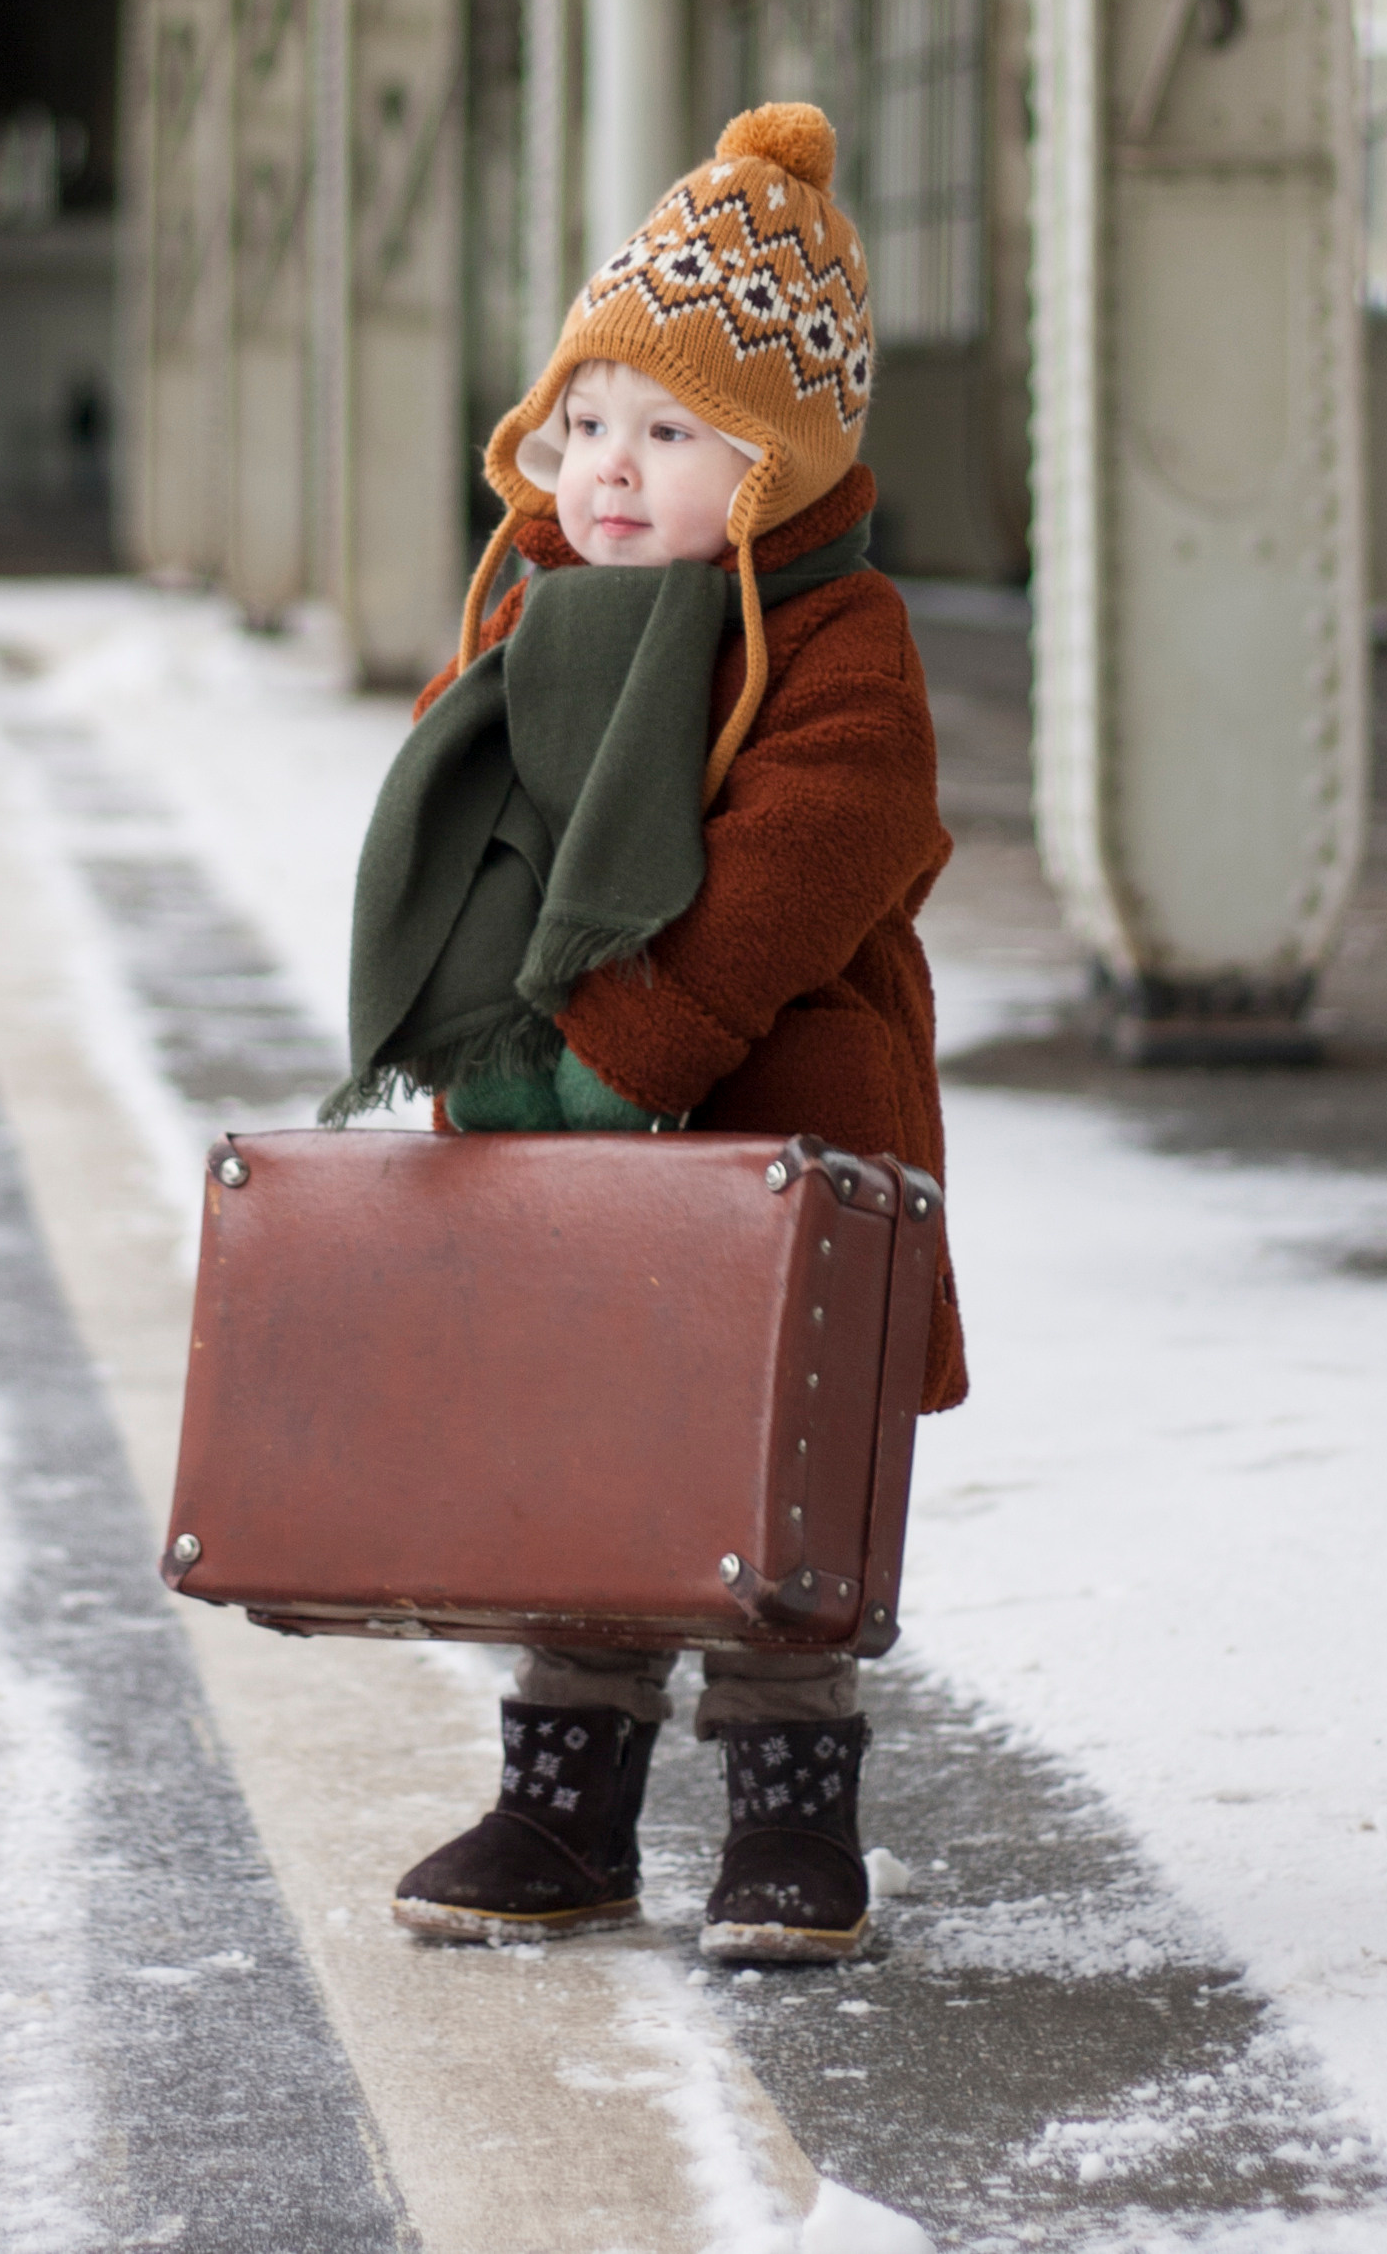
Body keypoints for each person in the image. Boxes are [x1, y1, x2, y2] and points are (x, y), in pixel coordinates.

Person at [329, 99, 962, 1967]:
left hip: (782, 1098)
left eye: (673, 432)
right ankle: (564, 1808)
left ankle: (788, 1810)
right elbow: (470, 833)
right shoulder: (540, 609)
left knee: (774, 1463)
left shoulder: (841, 645)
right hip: (555, 1114)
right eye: (589, 419)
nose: (609, 469)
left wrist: (623, 1052)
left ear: (778, 462)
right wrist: (479, 1046)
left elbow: (801, 857)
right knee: (581, 1446)